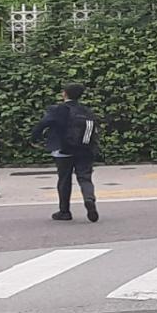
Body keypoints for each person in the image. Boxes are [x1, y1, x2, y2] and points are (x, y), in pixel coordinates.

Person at [32, 82, 100, 223]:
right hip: (84, 149)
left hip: (63, 149)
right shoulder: (86, 111)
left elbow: (43, 124)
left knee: (64, 179)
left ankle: (64, 211)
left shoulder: (58, 110)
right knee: (85, 178)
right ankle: (89, 199)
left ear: (64, 94)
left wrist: (34, 138)